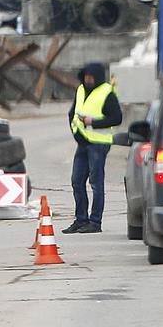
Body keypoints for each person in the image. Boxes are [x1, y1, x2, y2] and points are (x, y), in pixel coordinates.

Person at [65, 61, 121, 233]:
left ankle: (95, 222)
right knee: (76, 181)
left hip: (98, 144)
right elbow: (72, 113)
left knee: (96, 183)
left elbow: (116, 118)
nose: (88, 80)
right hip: (83, 142)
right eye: (86, 76)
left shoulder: (106, 93)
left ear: (97, 77)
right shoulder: (81, 89)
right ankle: (81, 219)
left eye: (91, 77)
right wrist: (76, 133)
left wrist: (93, 123)